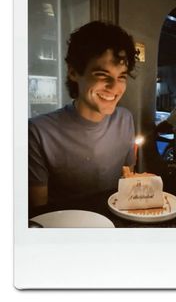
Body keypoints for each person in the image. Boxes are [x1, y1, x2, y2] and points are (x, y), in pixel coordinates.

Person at [29, 21, 137, 214]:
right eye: (102, 75)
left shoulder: (125, 119)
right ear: (73, 72)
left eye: (121, 76)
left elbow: (128, 184)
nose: (115, 87)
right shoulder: (39, 132)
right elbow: (39, 214)